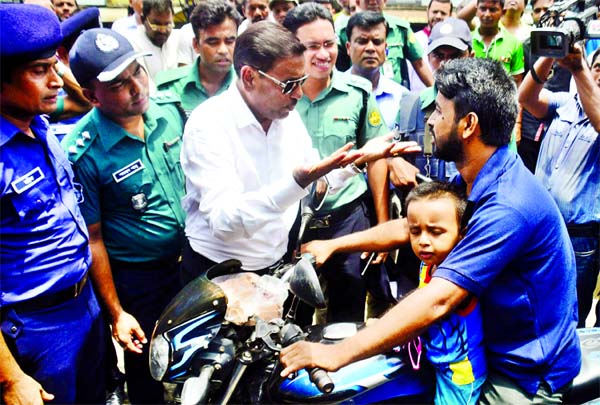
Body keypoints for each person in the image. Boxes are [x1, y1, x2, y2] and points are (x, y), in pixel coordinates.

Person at [280, 57, 581, 403]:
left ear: (468, 125)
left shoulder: (507, 205)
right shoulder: (476, 176)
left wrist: (337, 354)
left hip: (522, 370)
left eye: (439, 112)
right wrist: (332, 246)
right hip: (480, 345)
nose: (430, 121)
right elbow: (416, 226)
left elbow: (439, 298)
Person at [179, 21, 418, 284]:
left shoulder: (285, 117)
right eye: (289, 84)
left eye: (301, 81)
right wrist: (297, 183)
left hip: (277, 266)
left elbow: (316, 183)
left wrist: (355, 163)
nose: (299, 94)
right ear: (249, 77)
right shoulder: (209, 124)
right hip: (219, 273)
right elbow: (225, 223)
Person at [64, 28, 186, 404]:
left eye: (138, 71)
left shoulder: (170, 110)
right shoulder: (83, 152)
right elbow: (93, 239)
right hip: (139, 280)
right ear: (90, 96)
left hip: (190, 262)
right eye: (118, 84)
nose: (136, 87)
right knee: (147, 367)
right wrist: (117, 313)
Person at [0, 4, 105, 404]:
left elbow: (86, 101)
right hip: (36, 326)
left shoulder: (37, 122)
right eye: (39, 71)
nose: (56, 81)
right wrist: (10, 378)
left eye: (54, 67)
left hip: (84, 304)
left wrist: (56, 66)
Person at [283, 4, 392, 323]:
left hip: (347, 221)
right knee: (291, 317)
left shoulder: (357, 93)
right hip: (294, 227)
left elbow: (376, 158)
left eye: (328, 44)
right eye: (311, 46)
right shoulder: (279, 97)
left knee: (348, 318)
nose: (322, 54)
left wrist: (383, 227)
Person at [519, 46, 600, 328]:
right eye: (598, 65)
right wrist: (551, 52)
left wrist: (578, 70)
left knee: (569, 312)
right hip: (541, 224)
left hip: (580, 235)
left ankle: (567, 370)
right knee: (533, 303)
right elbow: (525, 97)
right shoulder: (565, 102)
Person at [405, 181, 486, 405]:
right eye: (415, 231)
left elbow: (424, 312)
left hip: (460, 376)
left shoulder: (460, 277)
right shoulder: (427, 264)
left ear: (462, 234)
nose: (423, 241)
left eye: (435, 232)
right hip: (437, 361)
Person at [156, 0, 241, 117]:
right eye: (213, 42)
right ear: (196, 45)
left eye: (230, 41)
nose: (223, 50)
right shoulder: (170, 88)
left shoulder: (248, 86)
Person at [336, 0, 434, 90]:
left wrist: (436, 93)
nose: (373, 2)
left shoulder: (399, 28)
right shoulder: (343, 30)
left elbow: (419, 64)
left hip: (392, 97)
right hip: (355, 92)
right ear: (358, 1)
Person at [345, 11, 409, 130]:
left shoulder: (402, 97)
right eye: (362, 41)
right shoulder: (331, 94)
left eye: (377, 42)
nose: (370, 48)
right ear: (348, 48)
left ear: (385, 48)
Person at [458, 0, 525, 86]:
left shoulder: (514, 43)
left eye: (493, 10)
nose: (487, 14)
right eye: (482, 9)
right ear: (476, 10)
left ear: (503, 12)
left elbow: (517, 82)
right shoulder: (467, 41)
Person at [128, 0, 180, 88]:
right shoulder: (133, 42)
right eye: (156, 25)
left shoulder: (179, 37)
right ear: (143, 19)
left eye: (168, 24)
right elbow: (144, 86)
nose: (163, 31)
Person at [407, 0, 452, 93]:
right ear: (427, 11)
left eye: (443, 13)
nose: (438, 16)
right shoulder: (414, 40)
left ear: (450, 15)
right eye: (435, 12)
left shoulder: (453, 46)